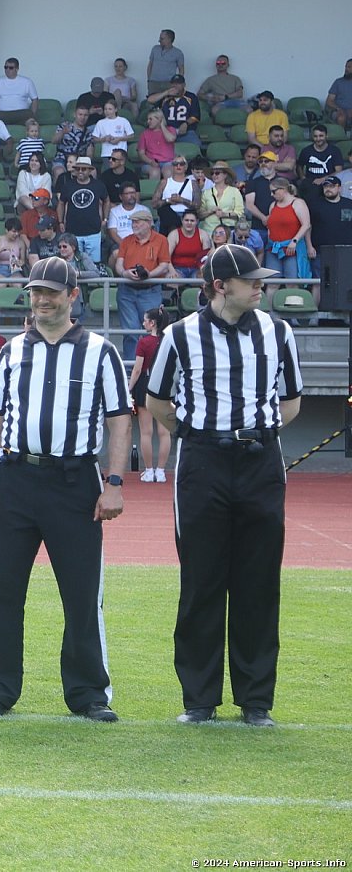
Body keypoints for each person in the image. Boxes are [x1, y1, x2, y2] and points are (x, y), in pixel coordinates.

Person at [0, 256, 130, 722]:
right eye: (36, 292)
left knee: (81, 593)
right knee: (1, 588)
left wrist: (115, 484)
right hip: (17, 479)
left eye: (51, 292)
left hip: (75, 482)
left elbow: (120, 421)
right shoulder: (12, 351)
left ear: (72, 296)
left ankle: (89, 693)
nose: (42, 300)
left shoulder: (101, 352)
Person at [145, 245, 303, 727]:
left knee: (259, 581)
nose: (259, 286)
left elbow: (291, 402)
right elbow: (157, 402)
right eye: (250, 279)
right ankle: (199, 699)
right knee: (202, 580)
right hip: (203, 462)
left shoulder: (279, 331)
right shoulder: (179, 335)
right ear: (220, 286)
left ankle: (256, 701)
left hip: (260, 461)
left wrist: (254, 433)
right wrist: (202, 435)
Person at [113, 206, 174, 360]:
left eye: (137, 222)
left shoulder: (161, 240)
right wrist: (125, 273)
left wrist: (149, 275)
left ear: (148, 223)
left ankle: (149, 365)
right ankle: (131, 366)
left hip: (150, 290)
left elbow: (164, 265)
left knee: (151, 330)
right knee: (130, 331)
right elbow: (119, 264)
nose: (134, 225)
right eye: (133, 222)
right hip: (127, 290)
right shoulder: (126, 240)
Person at [126, 306, 173, 484]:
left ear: (152, 323)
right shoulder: (168, 341)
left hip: (146, 384)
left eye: (146, 320)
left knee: (146, 432)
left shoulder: (144, 342)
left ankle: (149, 470)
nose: (143, 323)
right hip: (165, 385)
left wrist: (129, 388)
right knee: (164, 432)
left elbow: (137, 369)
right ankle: (160, 471)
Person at [262, 179, 312, 279]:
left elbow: (306, 224)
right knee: (272, 282)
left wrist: (295, 241)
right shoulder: (273, 205)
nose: (272, 195)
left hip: (291, 248)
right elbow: (270, 226)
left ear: (283, 189)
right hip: (274, 248)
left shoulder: (298, 203)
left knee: (292, 282)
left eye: (273, 191)